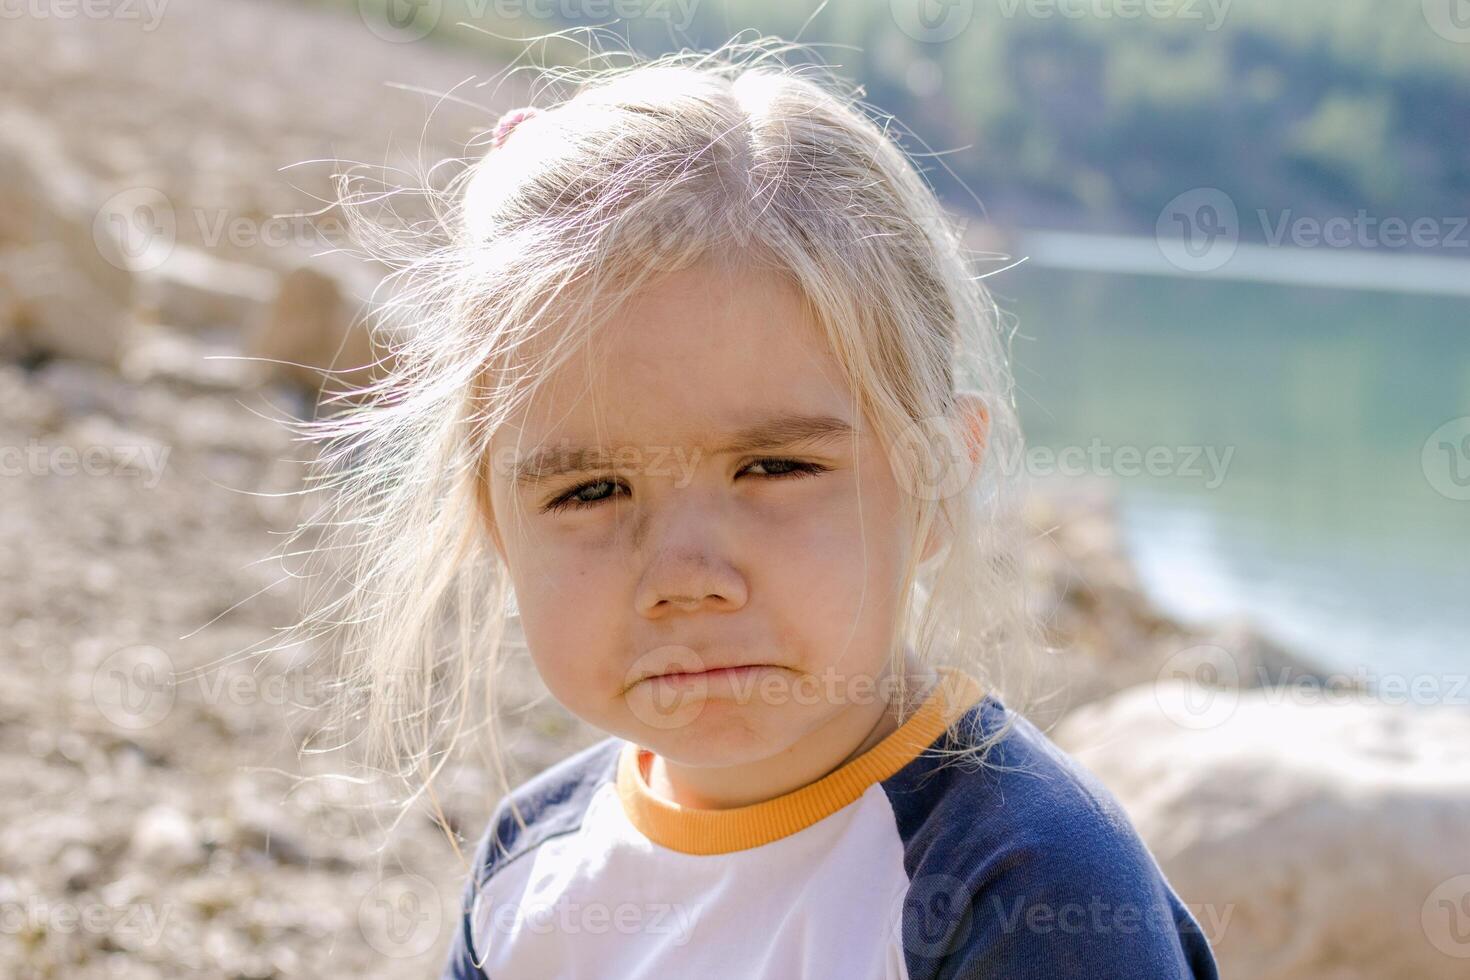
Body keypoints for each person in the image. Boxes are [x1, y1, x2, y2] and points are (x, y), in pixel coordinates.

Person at [293, 37, 1221, 979]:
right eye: (592, 489)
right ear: (495, 522)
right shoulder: (529, 867)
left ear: (939, 478)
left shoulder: (1022, 891)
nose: (687, 577)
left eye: (775, 468)